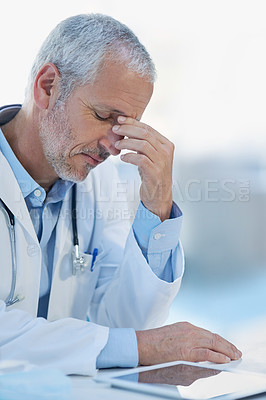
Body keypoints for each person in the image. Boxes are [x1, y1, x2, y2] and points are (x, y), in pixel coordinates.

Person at [0, 13, 241, 375]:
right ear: (47, 87)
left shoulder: (97, 184)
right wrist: (143, 345)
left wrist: (156, 204)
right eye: (103, 115)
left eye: (126, 125)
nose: (113, 146)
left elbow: (125, 323)